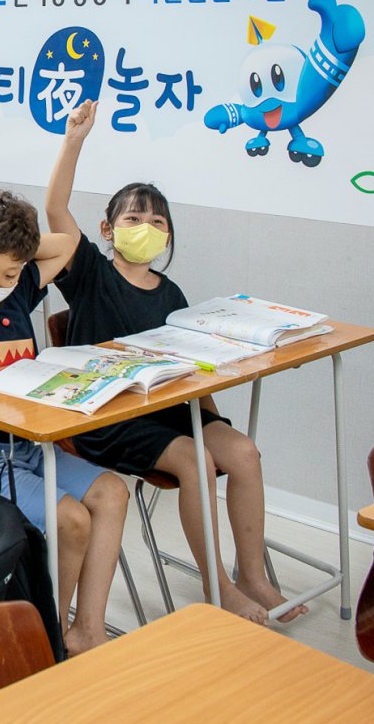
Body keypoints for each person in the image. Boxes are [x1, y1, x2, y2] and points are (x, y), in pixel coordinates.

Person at [45, 101, 302, 624]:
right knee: (196, 460)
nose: (145, 226)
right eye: (133, 218)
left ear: (167, 236)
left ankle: (253, 575)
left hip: (169, 409)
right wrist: (73, 141)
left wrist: (211, 413)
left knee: (244, 452)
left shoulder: (172, 292)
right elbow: (54, 209)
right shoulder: (90, 272)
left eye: (156, 221)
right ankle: (218, 585)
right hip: (110, 418)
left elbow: (189, 363)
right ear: (108, 229)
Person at [0, 164, 126, 655]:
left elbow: (67, 244)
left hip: (28, 449)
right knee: (72, 521)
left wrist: (16, 249)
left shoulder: (17, 292)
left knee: (113, 492)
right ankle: (47, 639)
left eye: (9, 273)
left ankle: (87, 628)